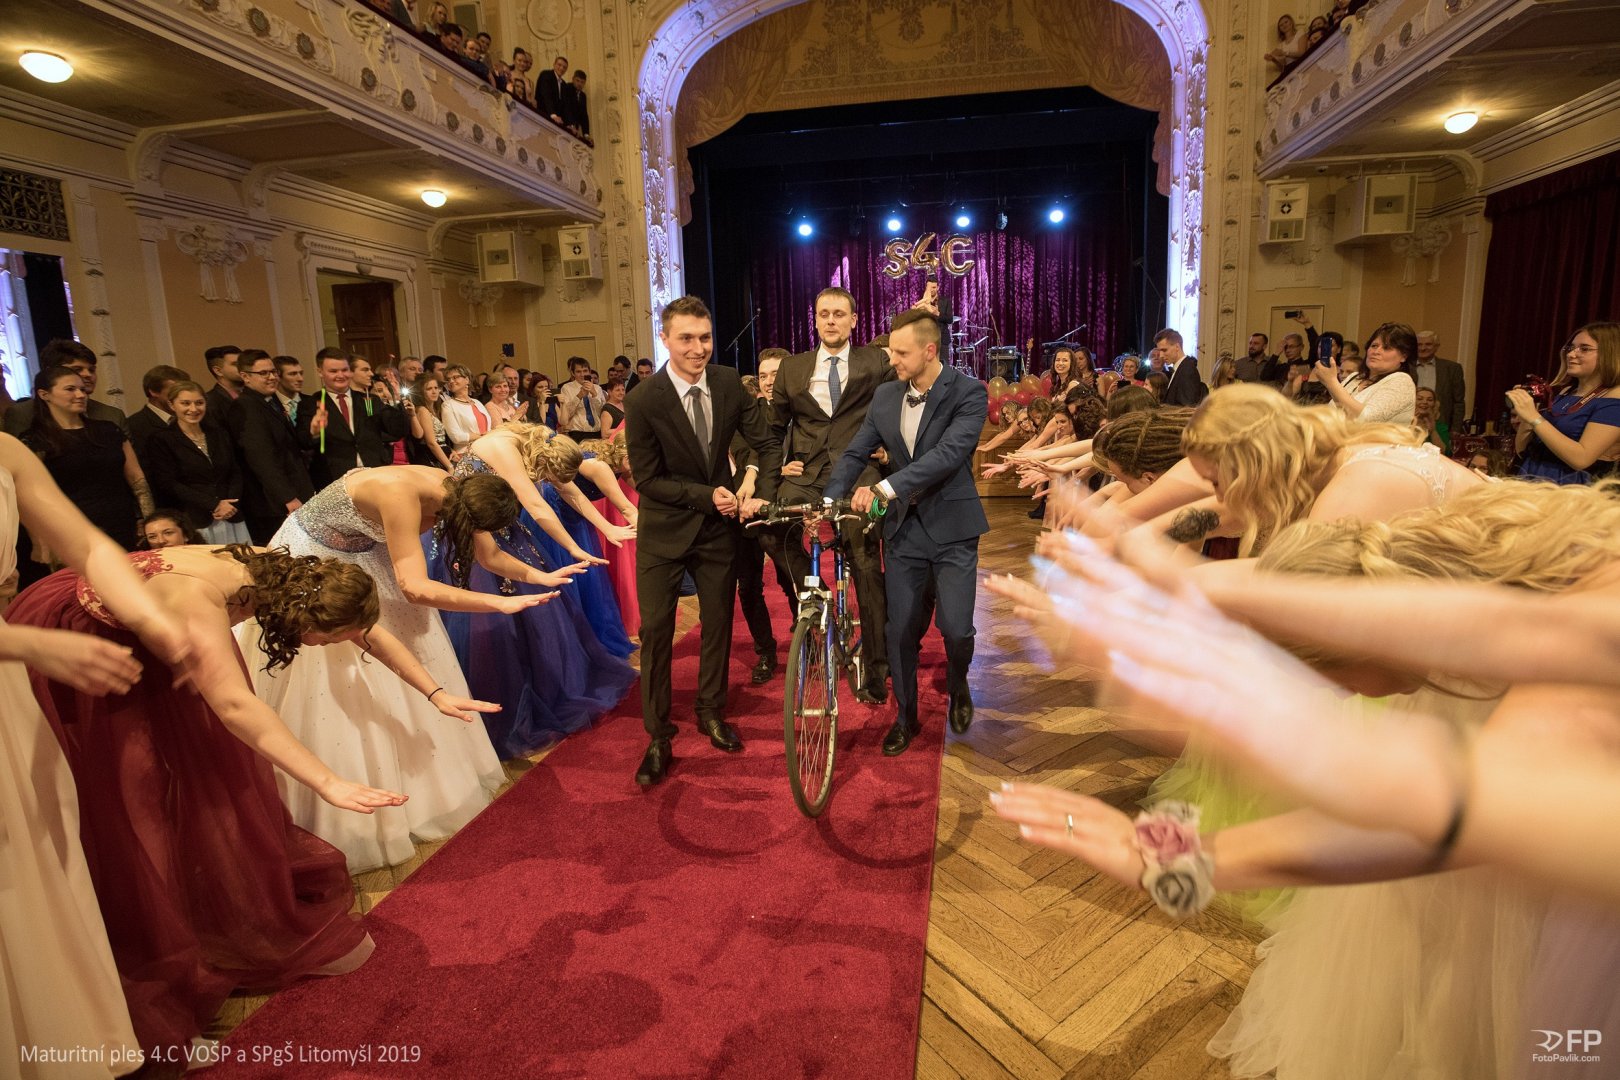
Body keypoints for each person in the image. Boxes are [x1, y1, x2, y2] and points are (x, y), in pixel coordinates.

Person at [10, 536, 425, 1061]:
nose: (325, 648)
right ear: (302, 620)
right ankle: (150, 956)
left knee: (201, 780)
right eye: (326, 641)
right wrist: (328, 782)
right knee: (130, 802)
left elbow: (357, 626)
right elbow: (233, 705)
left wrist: (432, 691)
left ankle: (191, 909)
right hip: (84, 635)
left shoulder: (273, 568)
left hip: (150, 630)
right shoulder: (199, 601)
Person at [240, 466, 552, 869]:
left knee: (399, 639)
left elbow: (488, 555)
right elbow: (415, 588)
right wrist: (497, 603)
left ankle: (421, 789)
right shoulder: (399, 493)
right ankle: (343, 807)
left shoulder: (457, 492)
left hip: (367, 551)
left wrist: (543, 577)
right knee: (345, 660)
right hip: (319, 558)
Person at [0, 433, 189, 1078]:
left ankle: (56, 1037)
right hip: (11, 651)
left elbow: (86, 545)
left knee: (37, 857)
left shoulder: (7, 451)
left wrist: (149, 618)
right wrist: (26, 644)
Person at [625, 296, 780, 786]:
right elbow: (647, 480)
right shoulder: (643, 399)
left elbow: (767, 442)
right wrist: (707, 495)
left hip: (718, 532)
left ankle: (712, 711)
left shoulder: (729, 382)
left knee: (717, 625)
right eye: (686, 338)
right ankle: (658, 735)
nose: (698, 348)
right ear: (665, 339)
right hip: (664, 532)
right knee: (656, 632)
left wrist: (757, 484)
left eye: (705, 337)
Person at [825, 307, 986, 757]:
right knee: (899, 631)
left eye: (900, 353)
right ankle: (905, 717)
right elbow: (856, 451)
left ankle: (958, 683)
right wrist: (831, 496)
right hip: (903, 532)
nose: (891, 359)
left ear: (929, 351)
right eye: (891, 351)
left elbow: (949, 455)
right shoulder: (885, 395)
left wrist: (886, 486)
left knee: (956, 629)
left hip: (953, 527)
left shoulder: (969, 392)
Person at [430, 423, 637, 758]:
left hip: (504, 527)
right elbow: (537, 507)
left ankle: (545, 683)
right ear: (542, 461)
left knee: (537, 611)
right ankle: (502, 696)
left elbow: (572, 492)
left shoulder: (544, 441)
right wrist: (574, 548)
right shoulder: (502, 447)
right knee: (493, 620)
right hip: (474, 528)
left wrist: (607, 526)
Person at [767, 286, 894, 703]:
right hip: (806, 472)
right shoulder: (792, 368)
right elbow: (773, 429)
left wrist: (888, 451)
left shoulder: (876, 361)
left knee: (865, 562)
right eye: (824, 314)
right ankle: (818, 595)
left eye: (839, 314)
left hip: (859, 471)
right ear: (816, 319)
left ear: (854, 320)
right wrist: (776, 466)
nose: (831, 321)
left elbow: (897, 410)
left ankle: (877, 668)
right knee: (770, 527)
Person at [22, 366, 153, 554]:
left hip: (122, 522)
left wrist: (149, 519)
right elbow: (31, 496)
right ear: (44, 394)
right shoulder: (35, 440)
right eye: (70, 389)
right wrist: (40, 540)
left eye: (82, 389)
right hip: (71, 529)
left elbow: (136, 478)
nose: (81, 395)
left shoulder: (109, 430)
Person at [1512, 321, 1620, 484]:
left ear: (1610, 353)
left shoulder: (1614, 399)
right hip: (1532, 478)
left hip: (1571, 488)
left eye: (1584, 349)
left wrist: (1534, 417)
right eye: (1571, 348)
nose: (1571, 354)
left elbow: (1581, 459)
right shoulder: (1566, 392)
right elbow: (1522, 449)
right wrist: (1528, 412)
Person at [144, 380, 249, 544]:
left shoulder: (219, 433)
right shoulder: (162, 439)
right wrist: (214, 504)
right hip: (195, 518)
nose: (193, 409)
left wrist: (231, 503)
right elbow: (168, 483)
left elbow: (235, 471)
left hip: (231, 514)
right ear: (172, 405)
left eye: (199, 403)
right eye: (185, 403)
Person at [228, 351, 314, 543]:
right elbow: (261, 458)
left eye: (273, 372)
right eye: (263, 373)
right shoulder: (246, 406)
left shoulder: (270, 401)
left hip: (290, 493)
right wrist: (287, 497)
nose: (272, 377)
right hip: (272, 503)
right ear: (245, 376)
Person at [301, 349, 409, 486]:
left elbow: (397, 431)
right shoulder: (310, 404)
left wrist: (396, 399)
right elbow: (303, 442)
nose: (340, 375)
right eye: (333, 371)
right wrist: (314, 433)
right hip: (335, 480)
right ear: (320, 372)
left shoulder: (370, 400)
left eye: (344, 370)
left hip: (375, 474)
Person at [2, 338, 128, 436]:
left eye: (91, 370)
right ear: (50, 373)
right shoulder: (23, 414)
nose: (88, 375)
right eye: (77, 369)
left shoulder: (112, 415)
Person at [1316, 322, 1418, 424]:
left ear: (1404, 356)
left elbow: (1366, 420)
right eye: (1374, 346)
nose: (1376, 351)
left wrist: (1331, 382)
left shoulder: (1402, 381)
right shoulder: (1354, 378)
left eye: (1386, 348)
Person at [124, 363, 189, 468]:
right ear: (153, 391)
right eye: (174, 390)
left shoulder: (190, 418)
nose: (182, 396)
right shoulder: (134, 426)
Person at [1413, 330, 1467, 431]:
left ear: (1436, 346)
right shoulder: (1406, 367)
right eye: (1419, 344)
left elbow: (1458, 402)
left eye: (1428, 344)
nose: (1423, 348)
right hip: (1410, 425)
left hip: (1441, 425)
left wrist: (1455, 429)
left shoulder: (1452, 369)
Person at [439, 364, 495, 460]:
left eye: (455, 377)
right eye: (448, 379)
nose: (451, 381)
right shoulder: (448, 405)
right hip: (467, 455)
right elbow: (456, 437)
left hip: (487, 450)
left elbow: (488, 428)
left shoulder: (477, 402)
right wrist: (482, 437)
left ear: (467, 379)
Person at [411, 372, 456, 470]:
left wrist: (451, 450)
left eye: (436, 388)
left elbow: (441, 440)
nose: (434, 391)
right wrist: (449, 466)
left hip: (442, 455)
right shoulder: (423, 410)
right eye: (429, 389)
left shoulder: (436, 410)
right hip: (431, 459)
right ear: (421, 392)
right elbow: (431, 443)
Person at [557, 356, 606, 443]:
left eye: (585, 371)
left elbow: (602, 413)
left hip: (596, 432)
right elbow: (567, 414)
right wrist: (579, 396)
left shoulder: (597, 388)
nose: (582, 374)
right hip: (577, 433)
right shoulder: (567, 388)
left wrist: (594, 394)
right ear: (573, 373)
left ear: (589, 372)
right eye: (578, 371)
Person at [139, 509, 205, 548]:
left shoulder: (207, 558)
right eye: (152, 537)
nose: (161, 541)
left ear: (185, 535)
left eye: (168, 533)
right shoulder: (142, 565)